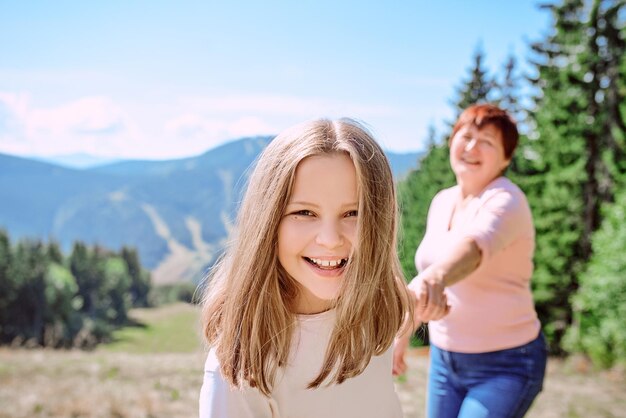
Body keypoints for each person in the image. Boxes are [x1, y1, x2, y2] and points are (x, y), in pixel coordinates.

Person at [199, 118, 412, 418]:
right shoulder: (241, 368)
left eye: (353, 213)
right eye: (305, 212)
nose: (330, 240)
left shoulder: (376, 304)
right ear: (267, 222)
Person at [393, 103, 548, 418]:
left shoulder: (506, 200)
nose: (472, 147)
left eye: (487, 141)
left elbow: (474, 247)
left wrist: (434, 277)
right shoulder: (442, 201)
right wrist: (404, 332)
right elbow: (430, 276)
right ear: (451, 142)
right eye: (465, 136)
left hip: (506, 364)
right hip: (444, 361)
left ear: (505, 158)